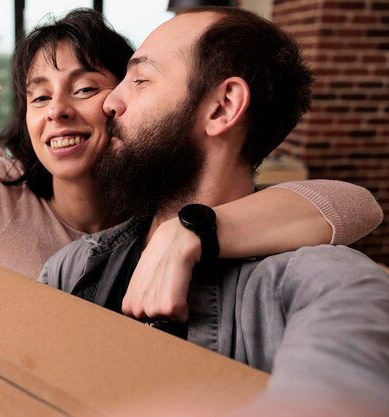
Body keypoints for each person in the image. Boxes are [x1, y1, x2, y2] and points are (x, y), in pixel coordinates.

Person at [0, 8, 378, 287]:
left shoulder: (160, 191)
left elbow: (356, 205)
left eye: (86, 88)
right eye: (38, 96)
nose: (58, 111)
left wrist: (192, 229)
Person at [40, 7, 389, 415]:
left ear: (223, 107)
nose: (109, 103)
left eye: (139, 79)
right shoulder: (73, 268)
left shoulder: (322, 286)